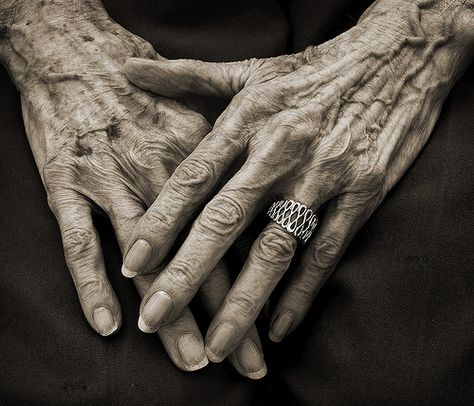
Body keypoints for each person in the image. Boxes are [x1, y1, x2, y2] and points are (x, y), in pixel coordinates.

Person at [1, 0, 473, 404]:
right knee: (110, 386)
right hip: (89, 31)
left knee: (401, 372)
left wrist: (423, 31)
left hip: (413, 33)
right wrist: (43, 36)